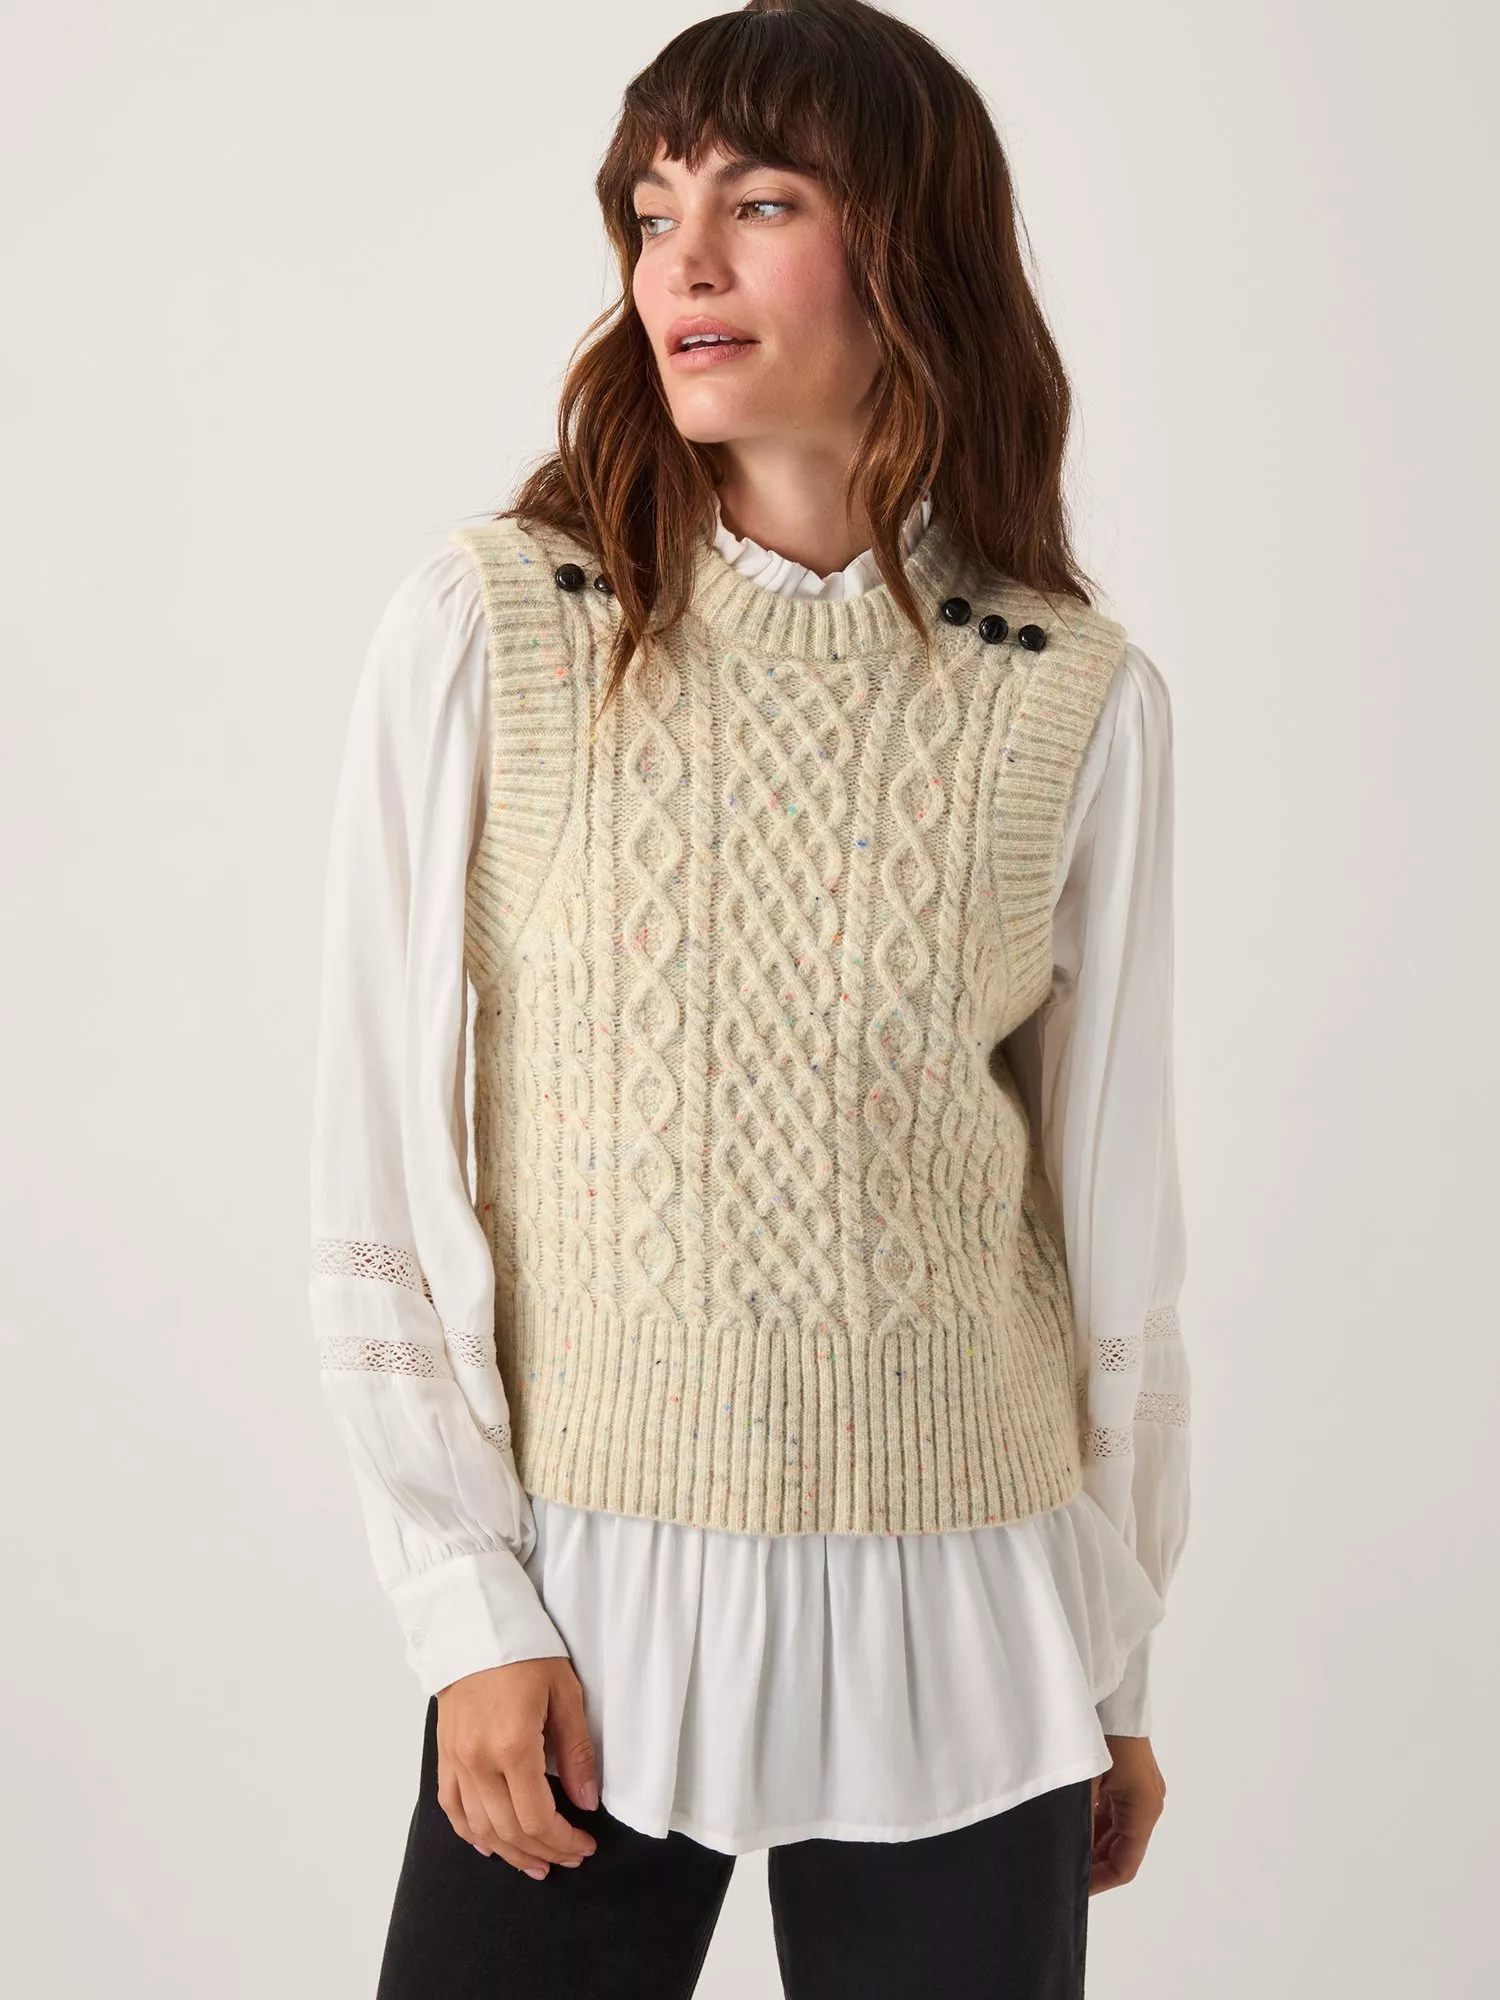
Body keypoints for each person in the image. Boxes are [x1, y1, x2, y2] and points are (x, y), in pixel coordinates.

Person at [308, 2, 1192, 1993]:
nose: (682, 263)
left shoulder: (1074, 696)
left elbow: (1111, 1215)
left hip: (974, 1600)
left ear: (913, 251)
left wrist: (1112, 1656)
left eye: (760, 203)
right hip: (588, 1597)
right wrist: (468, 1608)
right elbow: (381, 1157)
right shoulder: (497, 629)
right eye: (652, 213)